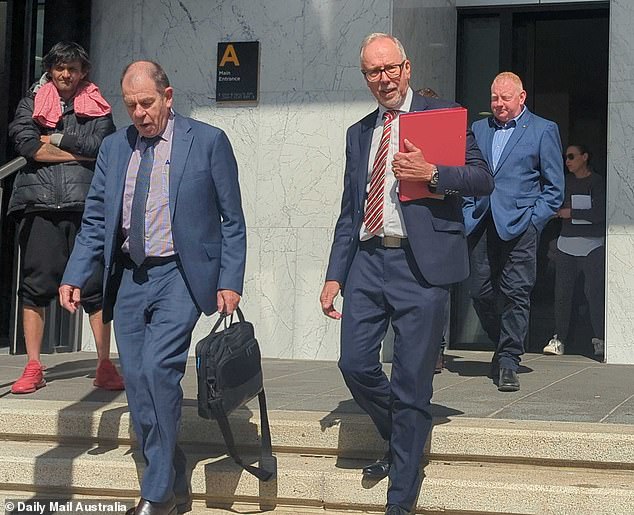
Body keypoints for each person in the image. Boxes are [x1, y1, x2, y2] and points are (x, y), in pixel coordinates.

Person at [59, 60, 246, 515]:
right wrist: (74, 273)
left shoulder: (207, 142)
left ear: (168, 96)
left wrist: (229, 280)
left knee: (160, 371)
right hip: (128, 277)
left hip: (180, 275)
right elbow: (98, 218)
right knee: (138, 381)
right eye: (131, 106)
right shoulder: (114, 148)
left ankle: (158, 494)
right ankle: (173, 475)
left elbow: (232, 220)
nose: (140, 113)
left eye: (147, 103)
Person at [320, 33, 493, 515]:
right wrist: (335, 274)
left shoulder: (442, 117)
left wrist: (433, 172)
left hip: (421, 266)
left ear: (407, 68)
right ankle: (404, 439)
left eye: (390, 68)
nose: (384, 78)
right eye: (374, 72)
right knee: (354, 364)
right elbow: (348, 210)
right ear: (366, 78)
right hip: (369, 261)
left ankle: (401, 496)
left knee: (413, 382)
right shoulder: (360, 133)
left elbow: (483, 180)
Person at [7, 41, 123, 394]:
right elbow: (27, 146)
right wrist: (77, 153)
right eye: (60, 68)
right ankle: (33, 366)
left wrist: (54, 137)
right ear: (50, 69)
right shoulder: (30, 102)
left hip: (86, 205)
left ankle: (104, 364)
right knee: (34, 287)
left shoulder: (98, 106)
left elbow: (102, 146)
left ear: (83, 72)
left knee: (95, 289)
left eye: (72, 69)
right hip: (39, 204)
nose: (65, 75)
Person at [463, 72, 564, 392]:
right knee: (479, 291)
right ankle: (503, 342)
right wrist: (467, 209)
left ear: (522, 98)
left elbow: (554, 188)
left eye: (505, 98)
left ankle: (508, 360)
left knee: (516, 293)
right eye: (494, 97)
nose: (498, 104)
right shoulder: (478, 129)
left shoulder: (543, 130)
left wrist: (535, 220)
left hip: (521, 226)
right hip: (481, 222)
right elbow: (466, 174)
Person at [543, 144, 605, 358]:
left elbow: (601, 212)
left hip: (593, 245)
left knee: (594, 293)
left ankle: (600, 339)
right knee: (562, 294)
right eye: (565, 157)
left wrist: (572, 212)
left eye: (571, 156)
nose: (567, 161)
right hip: (566, 244)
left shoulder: (598, 182)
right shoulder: (564, 182)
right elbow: (555, 207)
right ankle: (558, 338)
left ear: (585, 157)